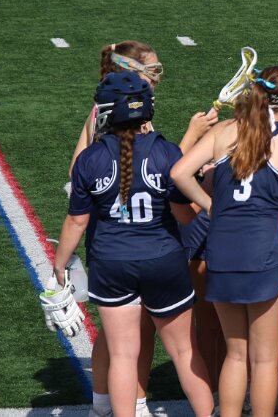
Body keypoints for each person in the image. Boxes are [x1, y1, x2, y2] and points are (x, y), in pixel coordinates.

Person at [68, 41, 217, 417]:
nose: (158, 78)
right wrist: (192, 137)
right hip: (138, 238)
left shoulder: (116, 108)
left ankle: (119, 404)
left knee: (124, 338)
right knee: (139, 339)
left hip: (115, 243)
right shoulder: (110, 112)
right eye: (153, 71)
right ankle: (116, 403)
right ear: (130, 72)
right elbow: (161, 173)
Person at [172, 66, 278, 417]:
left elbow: (179, 173)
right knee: (264, 359)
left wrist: (211, 206)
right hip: (266, 255)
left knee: (235, 354)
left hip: (222, 251)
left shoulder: (223, 131)